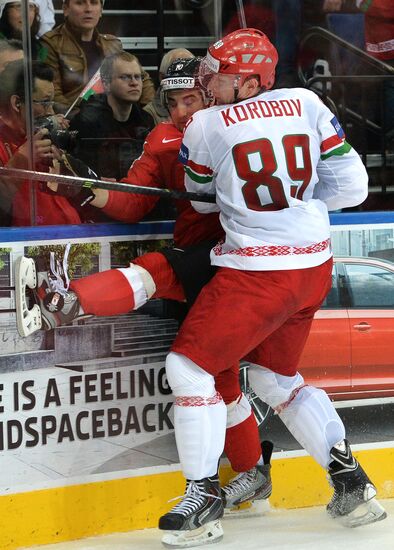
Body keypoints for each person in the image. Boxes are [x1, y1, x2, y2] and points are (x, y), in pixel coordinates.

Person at [158, 28, 387, 547]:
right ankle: (350, 482)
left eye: (216, 76)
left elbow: (199, 202)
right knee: (275, 378)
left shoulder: (204, 125)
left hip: (260, 271)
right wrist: (299, 198)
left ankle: (202, 496)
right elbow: (353, 187)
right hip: (314, 264)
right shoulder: (306, 101)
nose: (207, 84)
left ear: (245, 81)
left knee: (188, 367)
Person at [15, 57, 272, 516]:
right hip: (212, 261)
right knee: (220, 374)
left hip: (244, 257)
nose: (178, 112)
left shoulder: (238, 126)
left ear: (212, 93)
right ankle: (253, 472)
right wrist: (83, 188)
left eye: (189, 100)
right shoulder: (164, 137)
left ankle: (66, 301)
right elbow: (134, 202)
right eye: (171, 102)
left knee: (158, 272)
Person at [0, 59, 82, 226]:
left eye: (52, 103)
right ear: (17, 103)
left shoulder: (42, 135)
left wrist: (65, 159)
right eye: (45, 103)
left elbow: (75, 192)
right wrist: (22, 160)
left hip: (71, 236)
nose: (51, 112)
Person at [40, 0, 154, 113]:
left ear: (101, 10)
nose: (88, 9)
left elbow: (143, 80)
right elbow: (52, 95)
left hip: (115, 118)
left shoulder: (112, 44)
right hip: (75, 122)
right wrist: (81, 119)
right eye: (80, 3)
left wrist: (147, 114)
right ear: (65, 9)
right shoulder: (50, 43)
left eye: (94, 3)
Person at [69, 51, 154, 180]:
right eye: (125, 77)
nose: (134, 83)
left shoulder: (146, 122)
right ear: (106, 84)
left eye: (138, 77)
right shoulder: (86, 123)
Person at [143, 47, 194, 126]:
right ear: (162, 77)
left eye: (191, 73)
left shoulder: (206, 105)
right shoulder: (148, 115)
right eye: (178, 73)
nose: (186, 78)